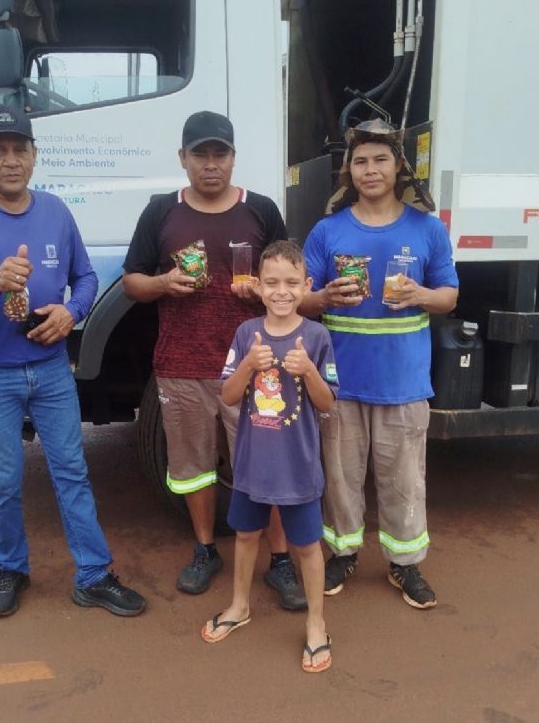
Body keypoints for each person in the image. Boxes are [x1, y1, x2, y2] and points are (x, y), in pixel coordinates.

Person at [0, 103, 146, 619]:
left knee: (72, 471)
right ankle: (10, 569)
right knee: (3, 479)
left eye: (19, 148)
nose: (9, 160)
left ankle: (92, 575)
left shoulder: (55, 212)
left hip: (48, 369)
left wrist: (71, 313)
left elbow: (86, 278)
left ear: (34, 154)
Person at [122, 110, 306, 609]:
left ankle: (281, 559)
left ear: (232, 158)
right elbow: (132, 281)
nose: (210, 164)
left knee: (265, 465)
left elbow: (291, 279)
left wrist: (264, 293)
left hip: (256, 363)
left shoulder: (261, 210)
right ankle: (205, 549)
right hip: (181, 365)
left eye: (219, 154)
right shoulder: (161, 211)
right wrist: (164, 283)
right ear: (183, 159)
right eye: (199, 154)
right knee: (192, 466)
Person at [301, 118, 459, 609]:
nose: (370, 169)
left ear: (399, 167)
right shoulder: (327, 231)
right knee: (341, 477)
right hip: (340, 382)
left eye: (381, 159)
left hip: (404, 382)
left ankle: (405, 563)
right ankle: (343, 553)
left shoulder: (428, 229)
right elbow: (297, 300)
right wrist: (323, 295)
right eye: (361, 161)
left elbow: (450, 297)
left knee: (404, 479)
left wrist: (422, 295)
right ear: (349, 170)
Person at [200, 241, 337, 674]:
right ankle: (239, 605)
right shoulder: (246, 334)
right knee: (244, 536)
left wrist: (309, 371)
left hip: (298, 469)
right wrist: (249, 366)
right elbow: (227, 393)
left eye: (292, 282)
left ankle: (317, 624)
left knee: (307, 546)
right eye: (273, 282)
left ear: (307, 285)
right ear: (258, 286)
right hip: (252, 467)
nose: (282, 291)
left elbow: (328, 402)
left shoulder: (317, 336)